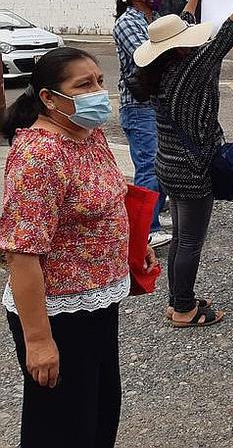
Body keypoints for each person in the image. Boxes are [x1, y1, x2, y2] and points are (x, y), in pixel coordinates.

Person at [0, 48, 157, 448]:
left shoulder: (90, 134)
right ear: (49, 98)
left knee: (100, 411)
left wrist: (134, 245)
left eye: (100, 82)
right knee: (61, 425)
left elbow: (110, 199)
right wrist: (39, 341)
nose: (98, 93)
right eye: (83, 85)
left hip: (98, 299)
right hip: (57, 312)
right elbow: (22, 254)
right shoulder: (39, 156)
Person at [133, 0, 233, 327]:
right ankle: (184, 309)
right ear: (180, 47)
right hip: (192, 170)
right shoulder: (189, 69)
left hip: (170, 165)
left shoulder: (163, 70)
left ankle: (178, 298)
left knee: (181, 236)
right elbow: (227, 34)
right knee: (191, 241)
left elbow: (188, 25)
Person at [113, 0, 200, 248]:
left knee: (161, 164)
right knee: (149, 166)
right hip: (139, 107)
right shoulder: (128, 23)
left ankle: (154, 215)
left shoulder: (150, 19)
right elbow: (147, 58)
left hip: (154, 104)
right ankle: (146, 230)